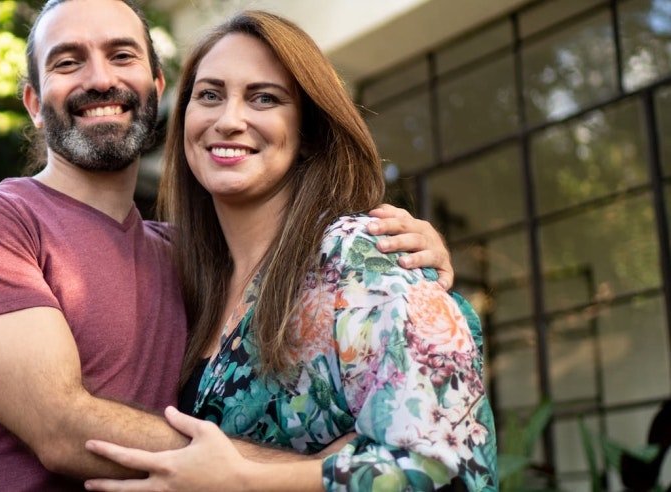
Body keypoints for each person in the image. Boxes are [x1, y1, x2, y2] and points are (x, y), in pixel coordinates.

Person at [0, 1, 457, 490]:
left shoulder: (197, 261)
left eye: (121, 55)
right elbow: (61, 428)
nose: (100, 78)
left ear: (156, 87)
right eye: (67, 62)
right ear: (35, 103)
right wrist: (302, 476)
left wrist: (406, 252)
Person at [81, 10, 498, 491]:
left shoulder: (357, 258)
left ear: (307, 134)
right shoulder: (180, 275)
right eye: (210, 95)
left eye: (263, 98)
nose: (229, 120)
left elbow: (443, 469)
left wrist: (241, 481)